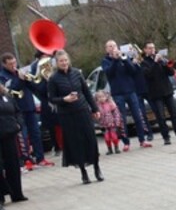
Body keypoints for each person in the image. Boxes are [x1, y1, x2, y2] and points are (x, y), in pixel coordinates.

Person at [48, 50, 103, 184]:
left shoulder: (77, 73)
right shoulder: (53, 79)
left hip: (83, 110)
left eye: (65, 60)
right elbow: (51, 98)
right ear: (57, 63)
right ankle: (83, 172)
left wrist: (95, 108)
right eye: (61, 61)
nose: (64, 63)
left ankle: (97, 168)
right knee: (76, 142)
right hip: (67, 115)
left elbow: (86, 92)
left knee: (91, 139)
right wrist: (64, 99)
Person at [0, 53, 53, 169]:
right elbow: (9, 92)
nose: (14, 65)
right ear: (4, 64)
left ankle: (40, 158)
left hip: (29, 106)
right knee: (23, 136)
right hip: (16, 110)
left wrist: (31, 80)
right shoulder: (2, 76)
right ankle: (26, 160)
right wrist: (19, 80)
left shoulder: (21, 72)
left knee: (36, 133)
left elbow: (35, 88)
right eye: (10, 64)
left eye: (14, 62)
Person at [102, 40, 150, 149]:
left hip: (131, 91)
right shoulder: (105, 61)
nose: (112, 48)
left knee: (138, 116)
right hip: (118, 94)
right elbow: (109, 73)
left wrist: (124, 59)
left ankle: (142, 140)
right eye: (110, 46)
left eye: (114, 45)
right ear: (107, 49)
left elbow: (133, 71)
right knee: (122, 119)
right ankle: (126, 143)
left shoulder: (124, 57)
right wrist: (115, 60)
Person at [141, 43, 176, 145]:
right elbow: (149, 75)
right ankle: (166, 138)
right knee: (161, 117)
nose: (152, 50)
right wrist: (155, 62)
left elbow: (171, 72)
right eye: (150, 48)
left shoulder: (161, 60)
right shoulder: (144, 63)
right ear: (145, 50)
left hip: (167, 91)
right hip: (156, 94)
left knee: (174, 114)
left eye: (153, 48)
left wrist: (165, 63)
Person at [0, 79, 26, 210]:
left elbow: (17, 112)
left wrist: (19, 124)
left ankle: (17, 193)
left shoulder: (7, 97)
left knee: (13, 164)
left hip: (10, 134)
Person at [95, 90, 123, 155]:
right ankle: (109, 149)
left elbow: (116, 113)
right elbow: (96, 116)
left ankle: (116, 148)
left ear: (106, 97)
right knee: (107, 138)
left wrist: (117, 122)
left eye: (103, 97)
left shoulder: (111, 104)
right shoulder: (97, 105)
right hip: (104, 125)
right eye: (99, 97)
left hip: (112, 124)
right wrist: (97, 120)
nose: (101, 98)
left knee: (114, 136)